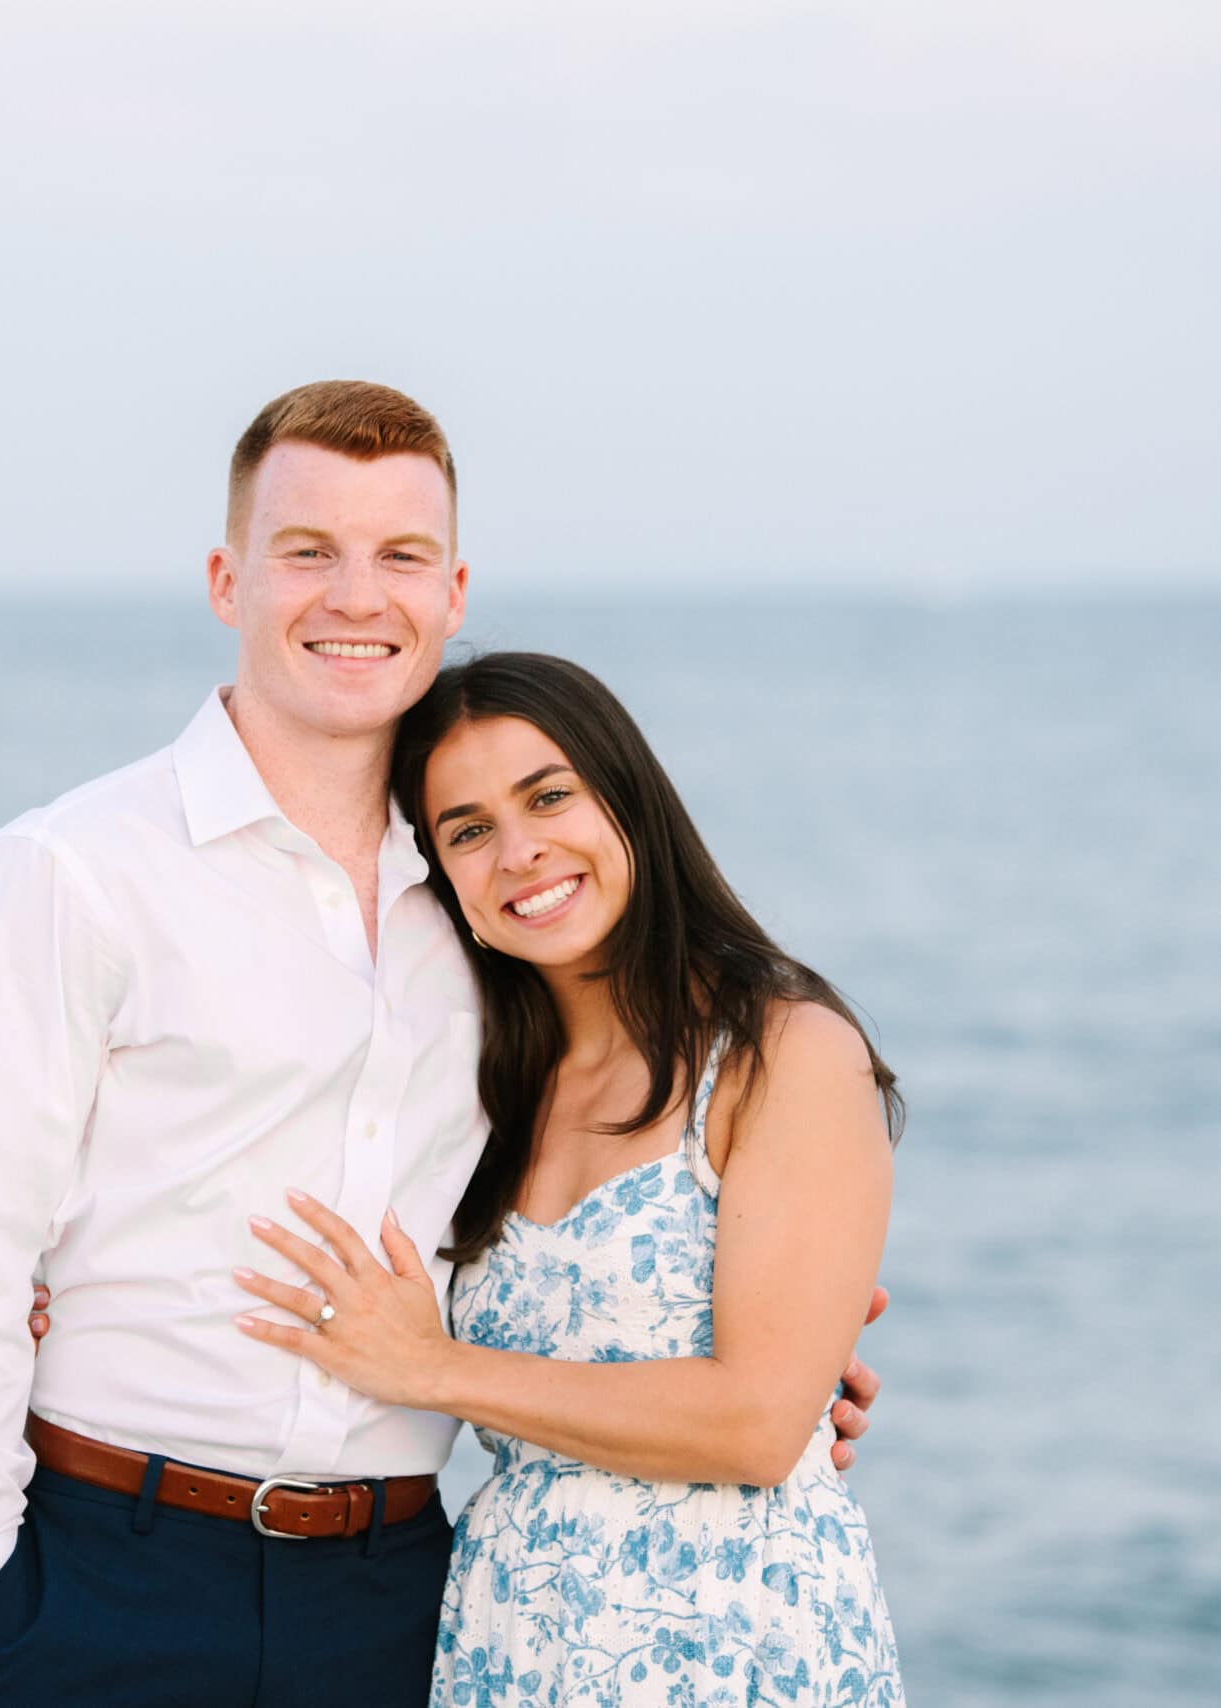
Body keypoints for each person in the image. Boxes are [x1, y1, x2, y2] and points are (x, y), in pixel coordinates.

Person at [0, 381, 887, 1707]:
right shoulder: (72, 874)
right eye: (308, 552)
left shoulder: (492, 912)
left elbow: (614, 1195)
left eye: (399, 556)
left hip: (405, 1603)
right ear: (230, 579)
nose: (357, 596)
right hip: (104, 1583)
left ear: (453, 591)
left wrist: (775, 1350)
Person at [229, 652, 906, 1705]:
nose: (520, 851)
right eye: (466, 829)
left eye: (548, 796)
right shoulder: (479, 1091)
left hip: (733, 1644)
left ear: (624, 793)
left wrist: (432, 1367)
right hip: (514, 1642)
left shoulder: (783, 1050)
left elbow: (759, 1424)